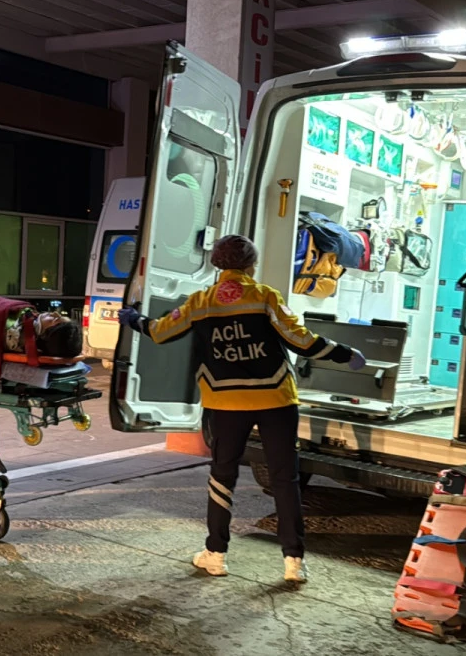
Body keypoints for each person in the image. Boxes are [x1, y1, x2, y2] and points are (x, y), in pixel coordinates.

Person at [118, 235, 366, 584]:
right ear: (251, 264)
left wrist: (133, 319)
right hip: (276, 400)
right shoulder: (265, 297)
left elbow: (160, 331)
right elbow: (302, 340)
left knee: (223, 476)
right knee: (285, 479)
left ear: (217, 265)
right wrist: (345, 353)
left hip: (225, 402)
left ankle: (216, 555)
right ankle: (294, 561)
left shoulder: (200, 302)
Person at [4, 309, 83, 358]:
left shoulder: (11, 331)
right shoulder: (23, 318)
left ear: (45, 336)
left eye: (55, 319)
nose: (54, 313)